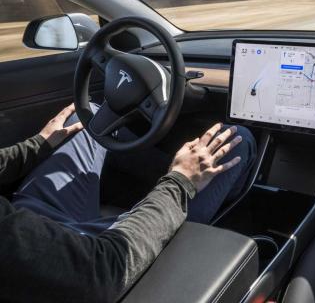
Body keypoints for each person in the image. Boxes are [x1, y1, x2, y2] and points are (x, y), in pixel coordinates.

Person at [0, 104, 257, 302]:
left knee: (89, 117)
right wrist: (179, 182)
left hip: (25, 220)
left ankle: (167, 196)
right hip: (92, 262)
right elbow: (102, 272)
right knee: (238, 140)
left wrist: (35, 146)